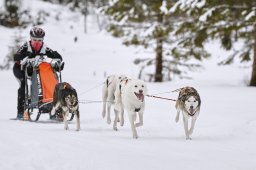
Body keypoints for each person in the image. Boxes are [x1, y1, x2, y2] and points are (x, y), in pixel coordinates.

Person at [13, 26, 63, 120]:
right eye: (34, 39)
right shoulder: (26, 45)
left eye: (39, 40)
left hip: (32, 69)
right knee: (23, 86)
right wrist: (26, 54)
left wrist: (57, 60)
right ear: (30, 38)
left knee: (46, 81)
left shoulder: (44, 47)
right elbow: (16, 57)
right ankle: (20, 112)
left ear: (42, 40)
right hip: (19, 69)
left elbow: (57, 56)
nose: (37, 42)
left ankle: (51, 108)